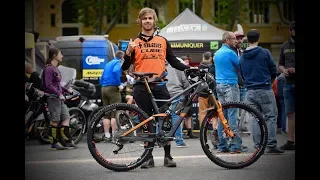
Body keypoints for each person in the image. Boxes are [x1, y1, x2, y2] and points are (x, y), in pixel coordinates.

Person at [122, 7, 190, 168]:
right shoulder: (134, 43)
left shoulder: (162, 41)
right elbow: (125, 66)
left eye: (150, 18)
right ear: (140, 21)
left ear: (154, 21)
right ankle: (148, 157)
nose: (147, 21)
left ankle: (168, 156)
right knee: (146, 122)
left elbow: (174, 62)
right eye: (144, 18)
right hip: (141, 87)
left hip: (160, 86)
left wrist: (189, 68)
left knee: (165, 121)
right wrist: (128, 52)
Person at [239, 29, 284, 154]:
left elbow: (242, 75)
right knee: (270, 117)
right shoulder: (265, 53)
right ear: (259, 39)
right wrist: (269, 81)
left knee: (255, 118)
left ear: (248, 40)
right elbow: (273, 69)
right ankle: (271, 145)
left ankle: (258, 146)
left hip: (249, 91)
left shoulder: (242, 57)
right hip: (264, 88)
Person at [214, 31, 246, 153]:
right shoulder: (230, 53)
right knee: (233, 116)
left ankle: (222, 145)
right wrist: (241, 52)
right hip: (231, 85)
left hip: (219, 85)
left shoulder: (217, 53)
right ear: (227, 40)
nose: (236, 41)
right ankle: (235, 145)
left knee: (223, 116)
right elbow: (240, 66)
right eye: (233, 39)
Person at [42, 47, 77, 150]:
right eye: (60, 54)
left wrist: (66, 90)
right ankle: (54, 144)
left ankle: (66, 141)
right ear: (54, 56)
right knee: (55, 121)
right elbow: (48, 85)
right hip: (52, 98)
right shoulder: (48, 68)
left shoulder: (55, 68)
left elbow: (56, 84)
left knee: (66, 117)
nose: (62, 56)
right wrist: (59, 93)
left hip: (59, 98)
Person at [99, 50, 124, 141]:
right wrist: (118, 83)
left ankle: (107, 135)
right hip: (113, 89)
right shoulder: (117, 62)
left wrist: (103, 84)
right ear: (121, 57)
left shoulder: (108, 63)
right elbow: (116, 71)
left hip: (104, 88)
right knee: (115, 113)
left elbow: (101, 77)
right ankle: (114, 136)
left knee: (107, 113)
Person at [278, 21, 295, 151]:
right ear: (290, 31)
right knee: (289, 113)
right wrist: (284, 70)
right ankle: (290, 141)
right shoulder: (284, 46)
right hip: (288, 83)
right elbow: (280, 64)